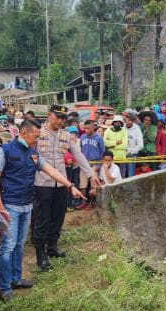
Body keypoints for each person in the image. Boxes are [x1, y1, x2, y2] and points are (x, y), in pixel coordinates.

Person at [0, 120, 85, 298]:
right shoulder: (5, 151)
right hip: (10, 206)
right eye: (35, 136)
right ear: (23, 132)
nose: (37, 139)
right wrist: (0, 206)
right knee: (8, 246)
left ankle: (16, 279)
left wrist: (69, 184)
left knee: (19, 245)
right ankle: (4, 288)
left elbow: (49, 170)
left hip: (27, 205)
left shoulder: (32, 154)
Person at [33, 105, 99, 271]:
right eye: (58, 117)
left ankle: (52, 246)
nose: (61, 121)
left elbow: (79, 155)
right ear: (49, 115)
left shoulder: (66, 136)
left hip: (61, 183)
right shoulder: (38, 133)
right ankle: (41, 255)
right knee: (42, 219)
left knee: (58, 216)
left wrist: (90, 174)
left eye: (64, 118)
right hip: (42, 183)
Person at [78, 120, 104, 210]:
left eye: (88, 128)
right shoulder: (82, 137)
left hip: (95, 164)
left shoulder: (99, 138)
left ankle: (92, 203)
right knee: (83, 185)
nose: (86, 130)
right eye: (85, 128)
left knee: (94, 185)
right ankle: (83, 202)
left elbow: (102, 153)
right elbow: (80, 150)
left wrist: (98, 166)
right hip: (84, 164)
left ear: (93, 128)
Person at [124, 110, 143, 178]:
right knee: (123, 173)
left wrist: (131, 150)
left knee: (130, 173)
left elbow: (140, 145)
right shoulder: (123, 127)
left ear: (132, 121)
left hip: (132, 154)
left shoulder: (137, 129)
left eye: (130, 120)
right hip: (122, 153)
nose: (128, 122)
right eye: (127, 120)